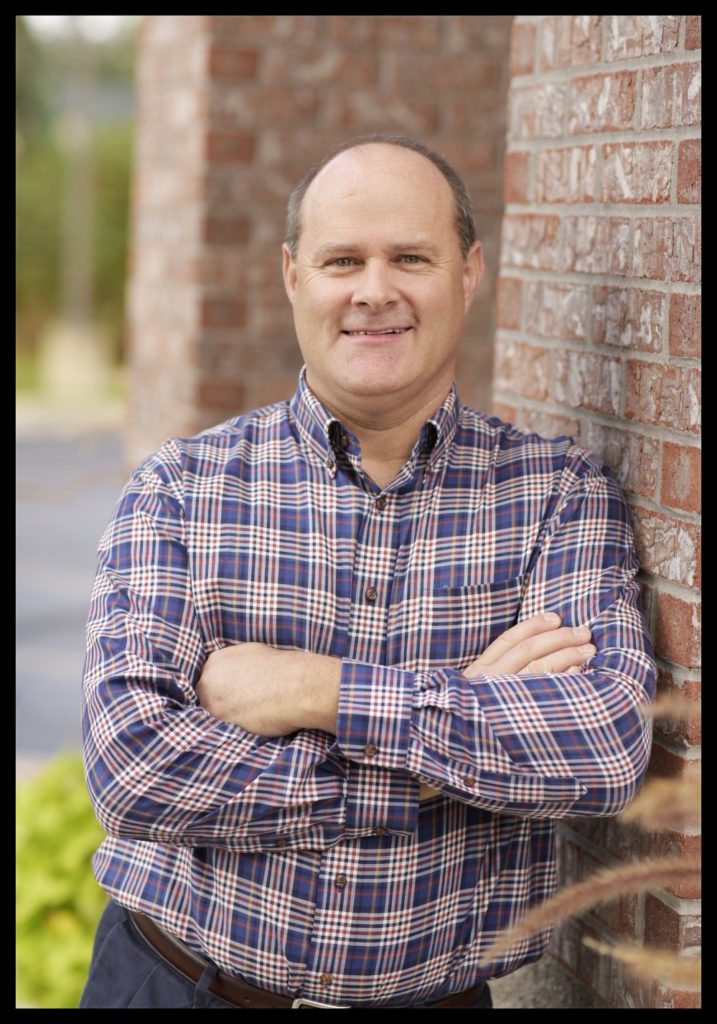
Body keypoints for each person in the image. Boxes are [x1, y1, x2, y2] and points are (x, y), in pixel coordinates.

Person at [79, 133, 656, 1009]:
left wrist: (320, 691)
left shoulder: (556, 496)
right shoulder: (182, 488)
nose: (373, 290)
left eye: (410, 258)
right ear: (292, 275)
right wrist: (435, 750)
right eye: (342, 258)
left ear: (468, 271)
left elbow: (603, 747)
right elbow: (132, 770)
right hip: (175, 984)